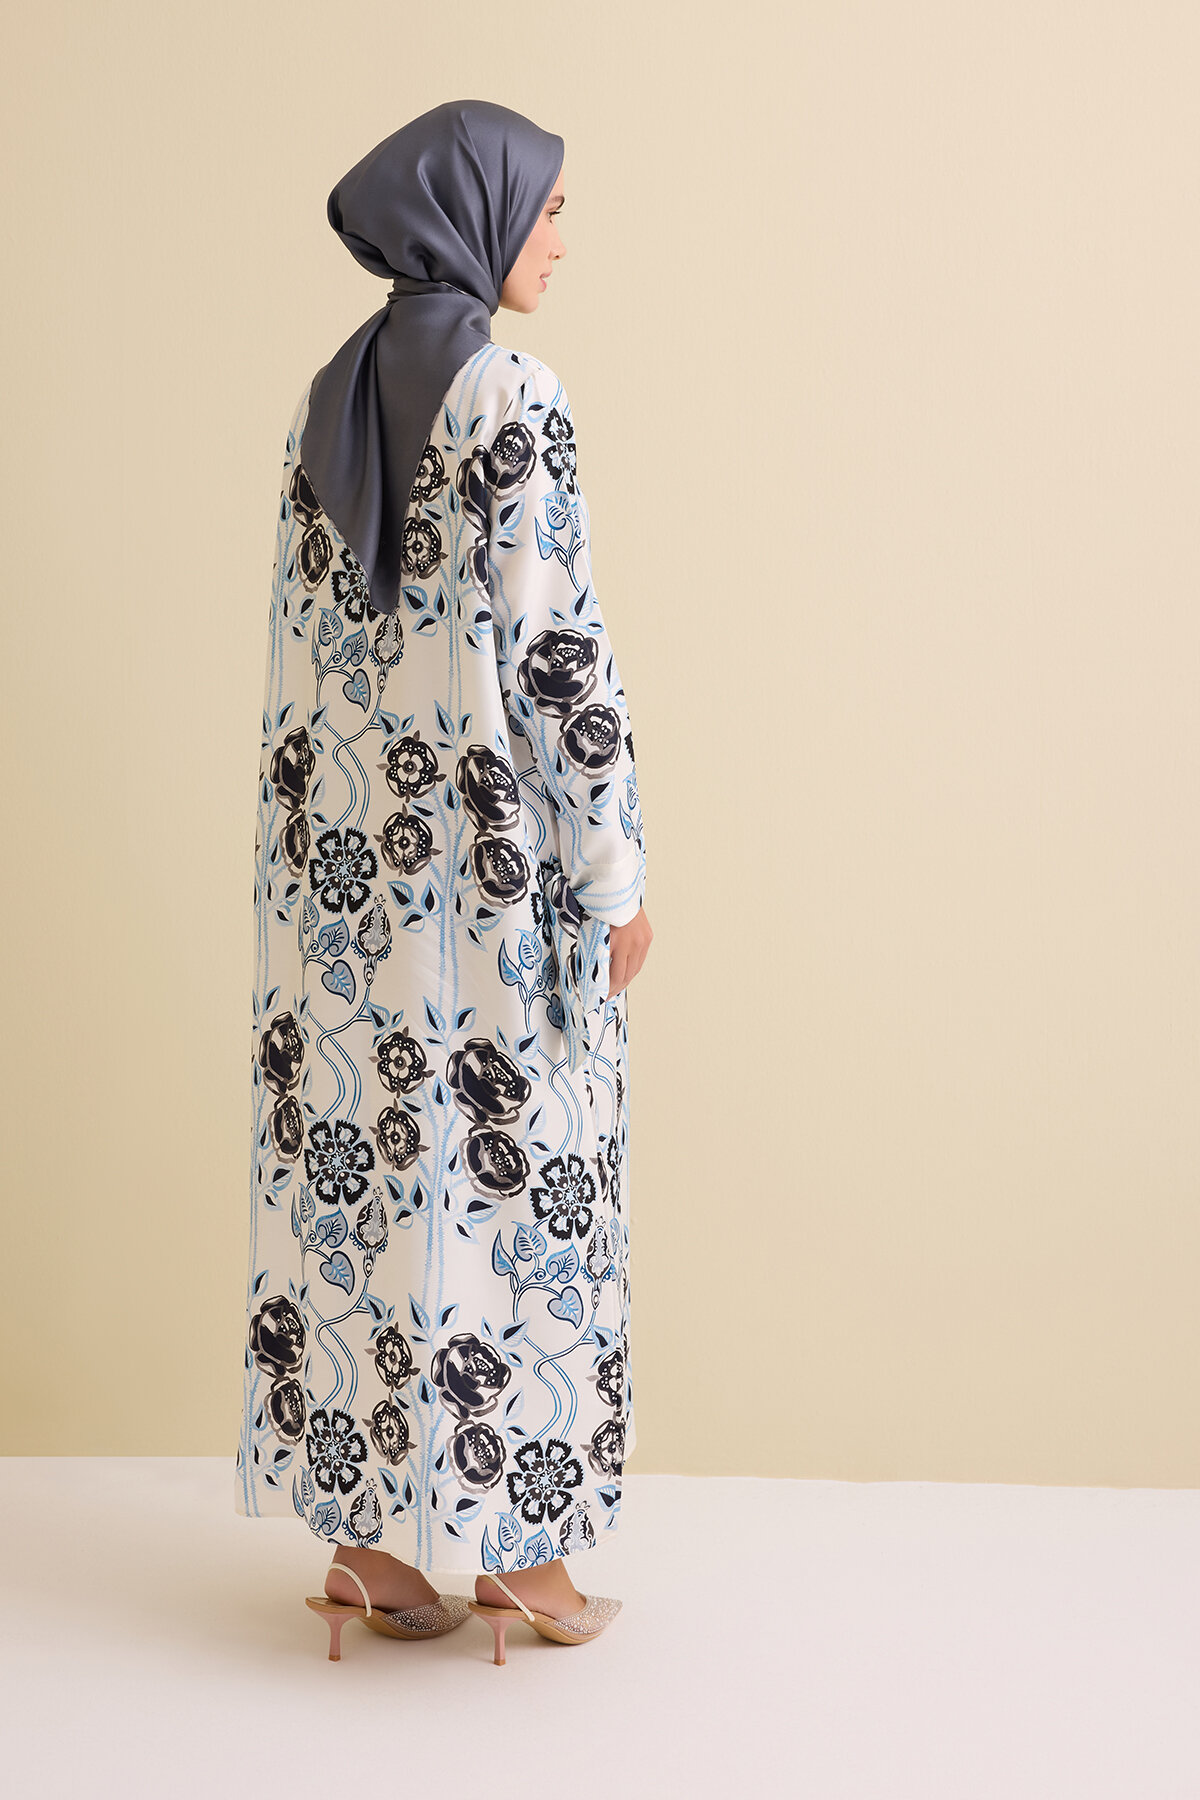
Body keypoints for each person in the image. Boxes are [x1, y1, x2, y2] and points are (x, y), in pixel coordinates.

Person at [234, 101, 652, 1666]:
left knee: (365, 1188)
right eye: (549, 208)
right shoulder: (511, 396)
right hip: (491, 897)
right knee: (524, 1185)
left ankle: (373, 1551)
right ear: (476, 213)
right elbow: (559, 659)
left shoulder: (327, 402)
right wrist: (615, 874)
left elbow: (304, 668)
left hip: (344, 907)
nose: (562, 239)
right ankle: (524, 1561)